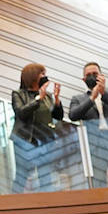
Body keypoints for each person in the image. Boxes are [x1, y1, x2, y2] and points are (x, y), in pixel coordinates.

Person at [68, 61, 108, 186]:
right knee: (97, 184)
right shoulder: (78, 99)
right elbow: (73, 115)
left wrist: (104, 93)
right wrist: (91, 98)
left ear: (101, 76)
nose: (92, 76)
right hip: (94, 146)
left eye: (95, 73)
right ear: (83, 79)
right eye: (88, 75)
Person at [11, 63, 67, 193]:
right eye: (42, 74)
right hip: (24, 140)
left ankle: (47, 205)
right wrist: (37, 99)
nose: (45, 76)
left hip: (45, 140)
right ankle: (14, 204)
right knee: (22, 174)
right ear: (33, 76)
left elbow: (58, 116)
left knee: (46, 174)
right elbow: (21, 113)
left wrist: (57, 99)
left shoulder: (47, 96)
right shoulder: (18, 94)